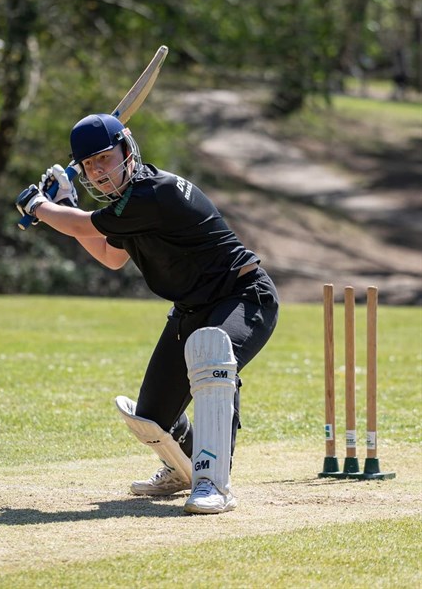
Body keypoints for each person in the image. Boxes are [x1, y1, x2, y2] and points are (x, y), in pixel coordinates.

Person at [16, 113, 279, 514]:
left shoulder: (153, 193)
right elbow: (109, 256)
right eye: (89, 165)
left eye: (104, 158)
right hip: (192, 308)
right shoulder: (128, 207)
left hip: (242, 296)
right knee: (153, 419)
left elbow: (85, 225)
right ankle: (185, 467)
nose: (99, 171)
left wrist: (40, 205)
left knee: (213, 357)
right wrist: (61, 204)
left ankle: (213, 482)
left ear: (127, 149)